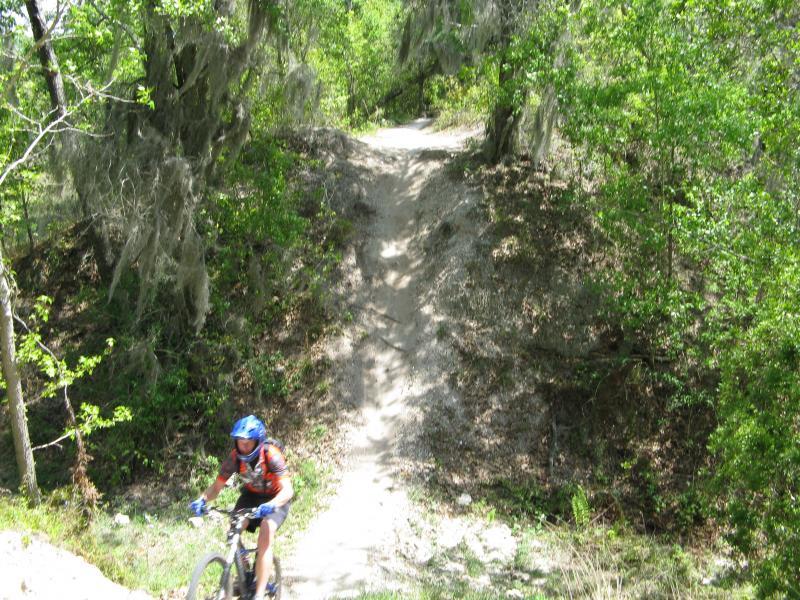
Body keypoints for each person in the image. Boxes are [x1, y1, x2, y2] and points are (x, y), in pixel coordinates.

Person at [190, 415, 293, 600]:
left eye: (248, 443)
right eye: (239, 442)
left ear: (258, 442)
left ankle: (259, 594)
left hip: (276, 498)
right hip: (251, 496)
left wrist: (270, 505)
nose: (243, 447)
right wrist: (203, 500)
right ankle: (244, 572)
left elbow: (288, 491)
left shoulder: (272, 455)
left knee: (266, 531)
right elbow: (216, 487)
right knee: (234, 528)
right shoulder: (234, 458)